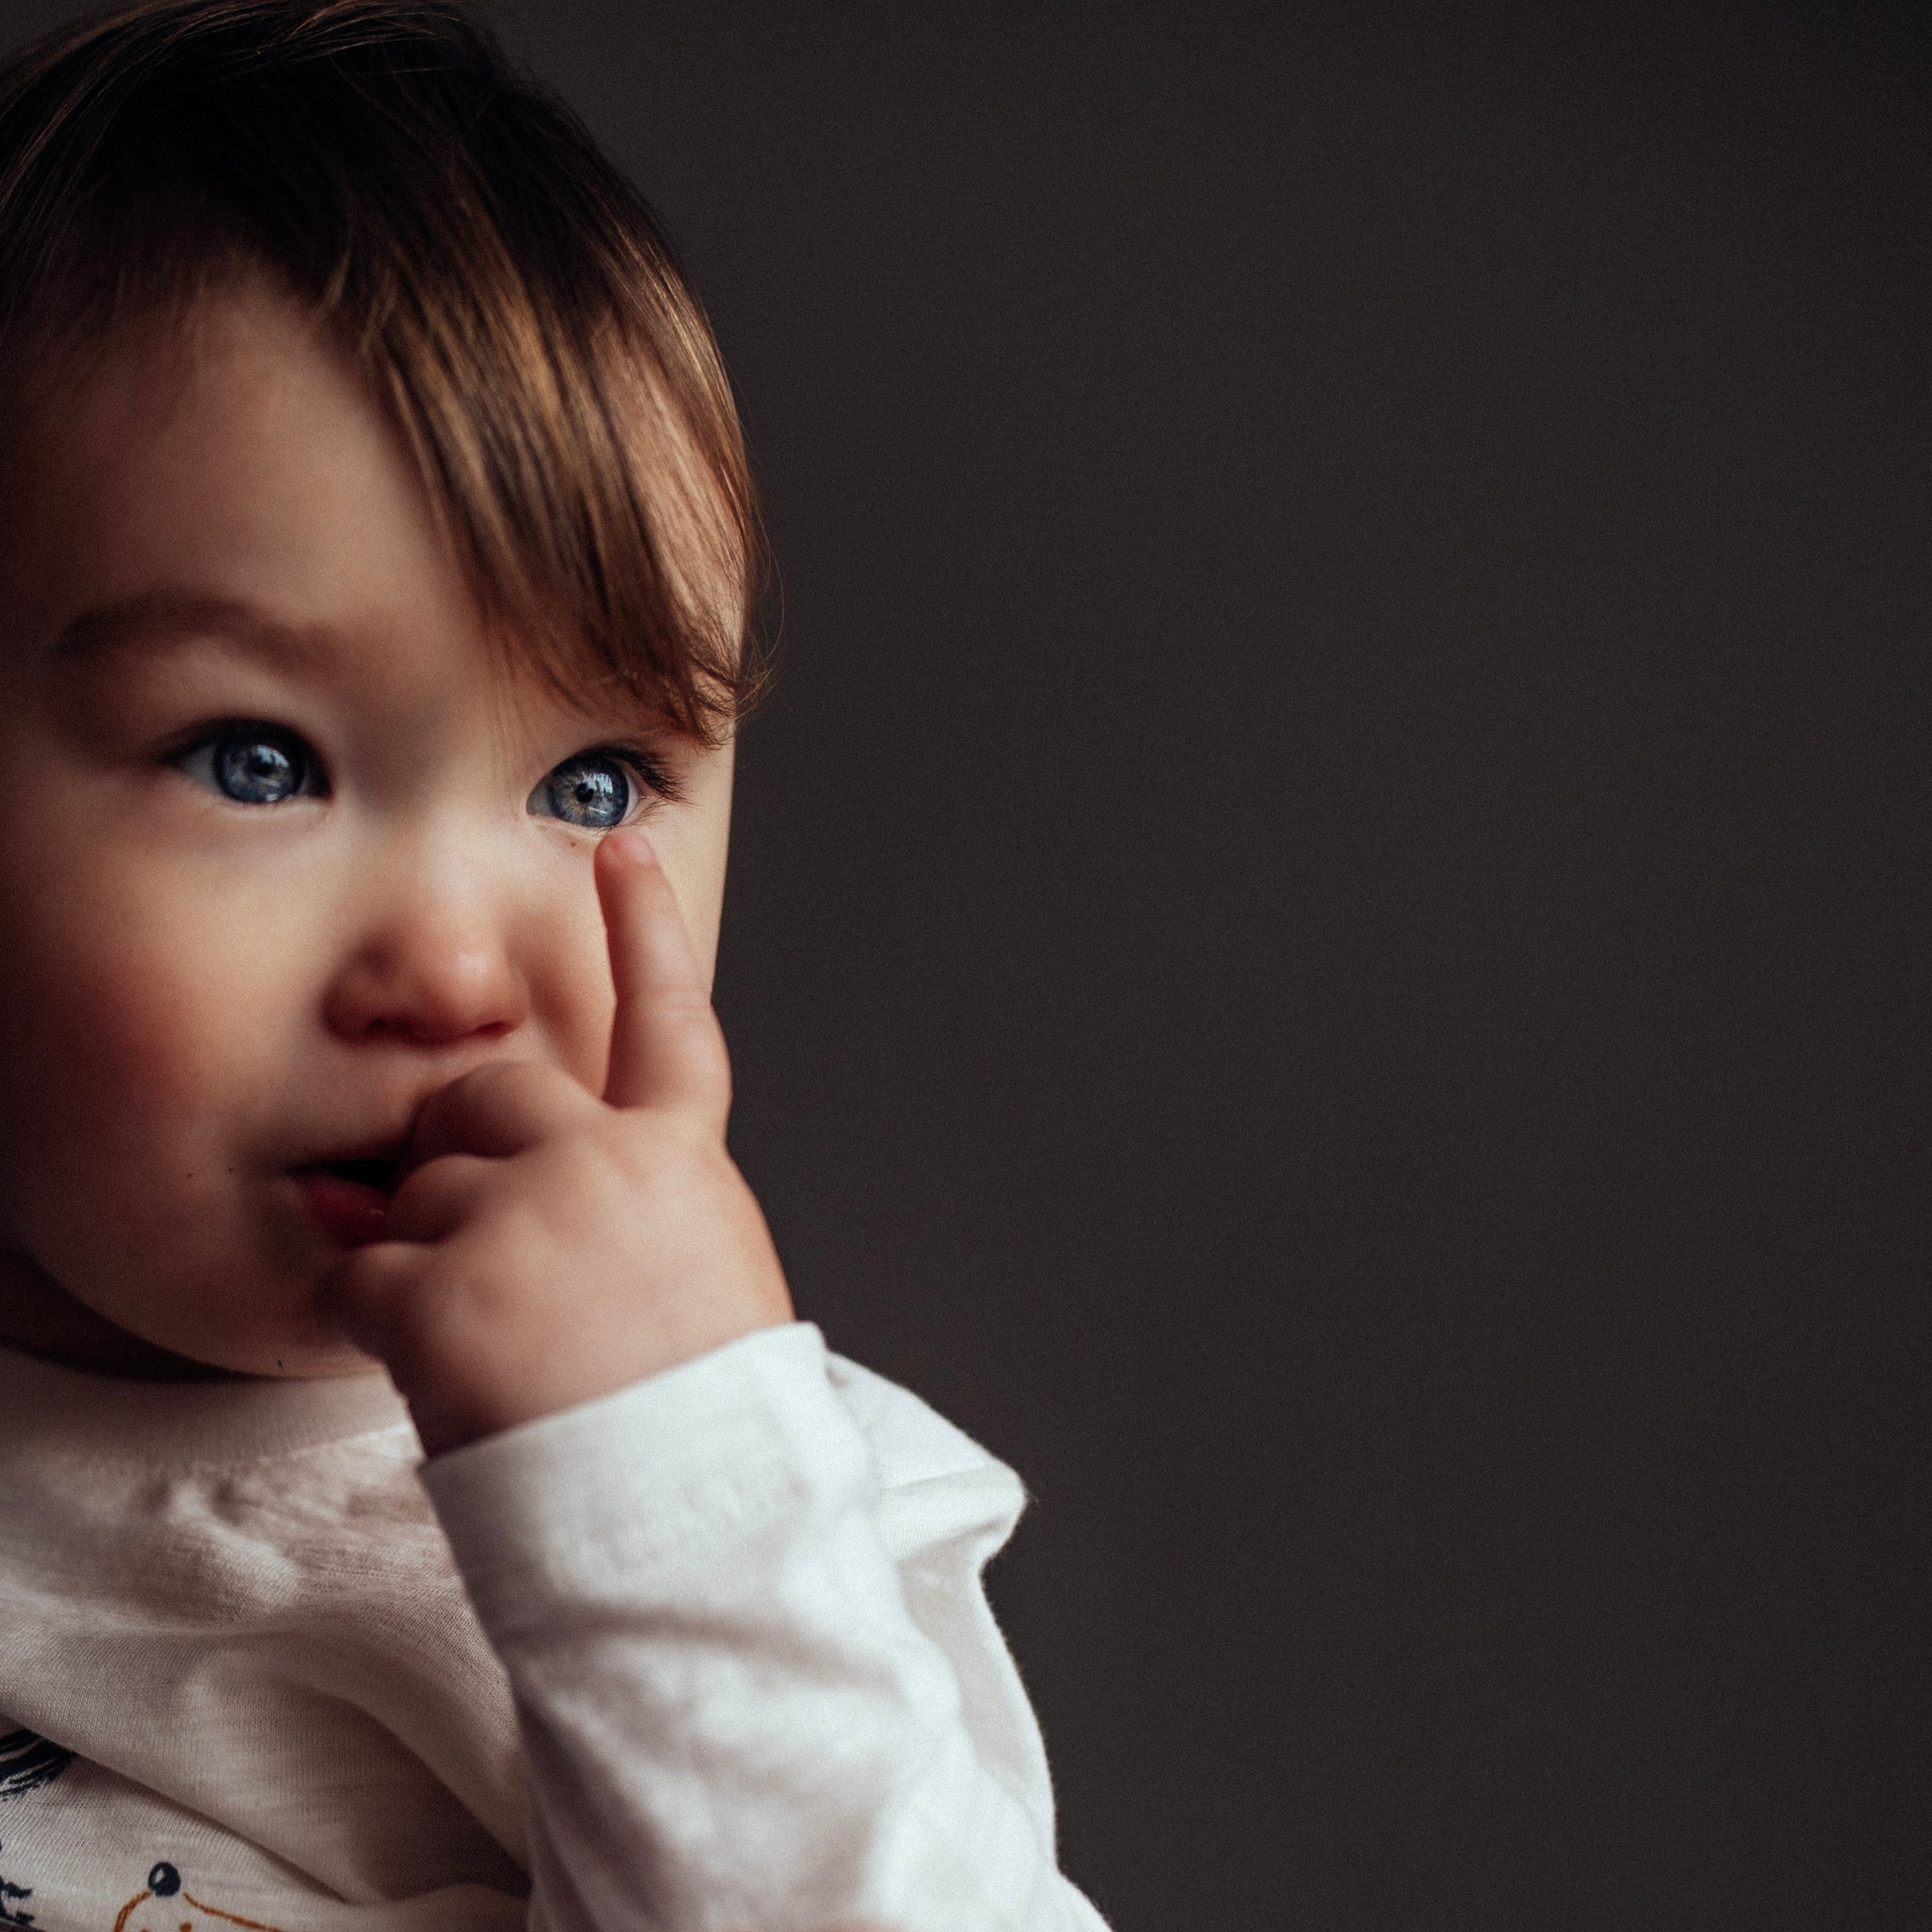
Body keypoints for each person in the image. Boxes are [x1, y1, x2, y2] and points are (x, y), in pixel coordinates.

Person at [0, 4, 1109, 1927]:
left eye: (596, 779)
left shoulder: (744, 1530)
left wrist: (663, 1486)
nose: (451, 967)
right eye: (258, 761)